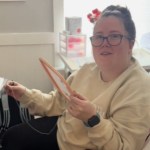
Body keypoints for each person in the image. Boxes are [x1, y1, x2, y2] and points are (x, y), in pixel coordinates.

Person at [1, 5, 150, 150]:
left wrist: (92, 119)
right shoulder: (87, 70)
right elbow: (56, 103)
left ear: (131, 43)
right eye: (99, 37)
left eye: (114, 36)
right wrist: (25, 94)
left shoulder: (140, 88)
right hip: (62, 133)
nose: (104, 43)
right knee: (10, 138)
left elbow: (122, 146)